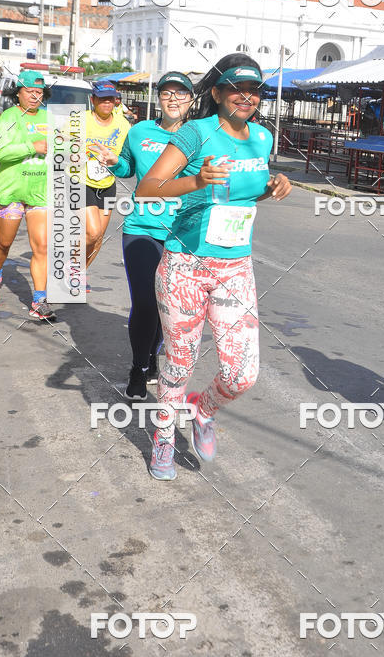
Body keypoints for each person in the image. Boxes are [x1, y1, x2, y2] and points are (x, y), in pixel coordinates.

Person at [136, 54, 292, 480]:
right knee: (179, 364)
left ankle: (202, 410)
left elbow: (242, 195)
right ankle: (163, 438)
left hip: (235, 267)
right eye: (237, 89)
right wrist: (197, 181)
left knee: (242, 374)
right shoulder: (196, 132)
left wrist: (273, 186)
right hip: (185, 265)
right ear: (219, 93)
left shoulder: (261, 138)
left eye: (254, 90)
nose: (247, 97)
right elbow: (147, 188)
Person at [92, 71, 194, 399]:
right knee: (146, 302)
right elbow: (127, 167)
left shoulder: (199, 135)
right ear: (158, 98)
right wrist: (113, 162)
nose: (173, 99)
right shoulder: (139, 131)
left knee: (168, 305)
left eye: (181, 93)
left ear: (191, 99)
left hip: (182, 233)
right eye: (167, 93)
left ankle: (152, 355)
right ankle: (138, 367)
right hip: (141, 228)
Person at [0, 69, 55, 320]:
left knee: (42, 246)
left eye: (39, 92)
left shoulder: (50, 118)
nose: (35, 96)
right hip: (10, 191)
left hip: (40, 192)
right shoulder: (9, 117)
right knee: (4, 243)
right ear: (19, 93)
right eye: (29, 91)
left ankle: (39, 300)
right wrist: (30, 146)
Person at [83, 81, 130, 281]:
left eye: (111, 99)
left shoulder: (124, 125)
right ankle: (69, 265)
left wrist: (114, 159)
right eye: (102, 99)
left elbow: (127, 156)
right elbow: (61, 145)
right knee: (93, 232)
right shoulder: (80, 120)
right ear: (93, 100)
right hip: (80, 182)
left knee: (98, 237)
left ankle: (78, 272)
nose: (107, 103)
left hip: (107, 183)